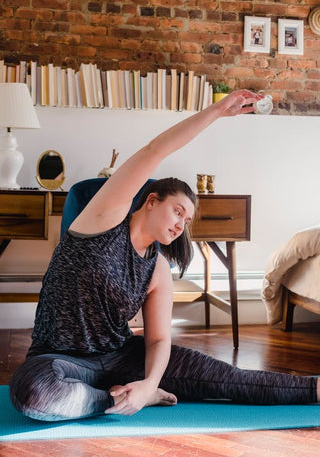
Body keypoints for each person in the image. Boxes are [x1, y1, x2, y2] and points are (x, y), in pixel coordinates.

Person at [9, 90, 319, 421]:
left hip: (121, 358)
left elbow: (158, 339)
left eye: (186, 221)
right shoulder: (102, 221)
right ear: (152, 200)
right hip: (59, 359)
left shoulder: (156, 268)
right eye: (177, 211)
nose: (180, 225)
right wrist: (215, 112)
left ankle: (314, 389)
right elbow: (155, 150)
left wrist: (148, 383)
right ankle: (115, 399)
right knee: (35, 393)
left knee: (228, 379)